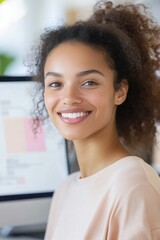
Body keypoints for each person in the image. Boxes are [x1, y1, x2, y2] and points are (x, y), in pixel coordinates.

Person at [28, 1, 160, 239]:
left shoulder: (132, 183)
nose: (69, 98)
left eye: (89, 82)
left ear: (119, 91)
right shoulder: (65, 189)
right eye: (56, 84)